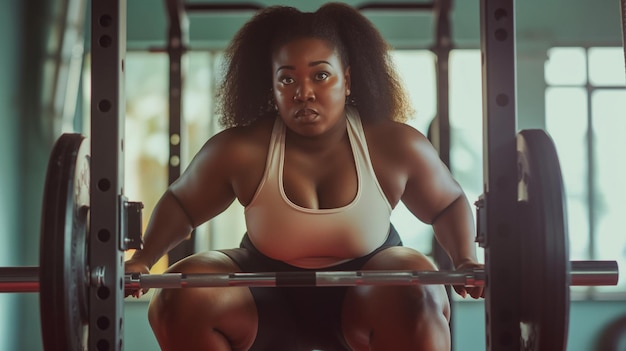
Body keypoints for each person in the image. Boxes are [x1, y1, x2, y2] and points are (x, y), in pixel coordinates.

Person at [125, 3, 483, 351]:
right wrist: (143, 259)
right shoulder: (241, 150)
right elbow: (182, 204)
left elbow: (446, 203)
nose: (303, 92)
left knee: (416, 283)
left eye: (321, 75)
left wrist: (465, 257)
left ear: (348, 79)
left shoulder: (394, 145)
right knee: (180, 295)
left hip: (369, 298)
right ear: (272, 85)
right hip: (264, 301)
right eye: (287, 78)